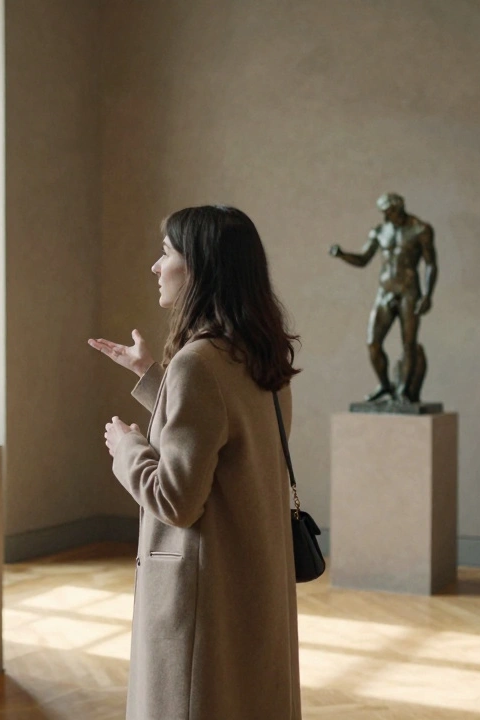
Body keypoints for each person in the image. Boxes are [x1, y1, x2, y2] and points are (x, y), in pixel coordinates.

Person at [89, 205, 302, 719]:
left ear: (200, 268)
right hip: (249, 585)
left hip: (202, 600)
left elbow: (175, 499)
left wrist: (127, 450)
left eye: (166, 253)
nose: (156, 267)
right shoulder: (256, 355)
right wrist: (150, 375)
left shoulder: (197, 364)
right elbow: (224, 435)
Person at [329, 193, 437, 403]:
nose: (386, 215)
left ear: (399, 207)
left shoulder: (420, 229)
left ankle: (404, 390)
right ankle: (385, 385)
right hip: (385, 291)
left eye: (390, 211)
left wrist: (427, 295)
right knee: (373, 343)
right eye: (384, 212)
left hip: (409, 292)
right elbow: (363, 259)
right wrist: (342, 254)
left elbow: (431, 263)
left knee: (409, 344)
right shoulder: (380, 231)